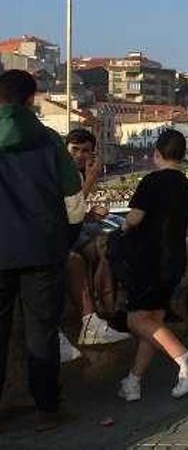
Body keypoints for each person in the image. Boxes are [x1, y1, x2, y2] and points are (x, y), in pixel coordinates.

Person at [0, 70, 85, 429]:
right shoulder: (49, 140)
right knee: (42, 331)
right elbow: (74, 203)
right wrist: (63, 241)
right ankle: (47, 409)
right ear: (31, 99)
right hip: (41, 250)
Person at [117, 129, 188, 402]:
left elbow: (134, 218)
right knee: (154, 321)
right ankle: (133, 382)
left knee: (136, 319)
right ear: (183, 155)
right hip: (175, 260)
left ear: (156, 153)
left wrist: (122, 227)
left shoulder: (151, 181)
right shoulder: (185, 184)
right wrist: (172, 236)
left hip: (148, 259)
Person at [63, 129, 130, 353]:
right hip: (62, 237)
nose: (80, 156)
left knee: (107, 246)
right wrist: (91, 179)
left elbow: (75, 212)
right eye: (75, 150)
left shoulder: (79, 174)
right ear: (66, 150)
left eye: (85, 151)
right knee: (83, 258)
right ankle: (102, 312)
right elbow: (67, 210)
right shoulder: (62, 173)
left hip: (75, 232)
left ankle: (109, 308)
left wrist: (91, 214)